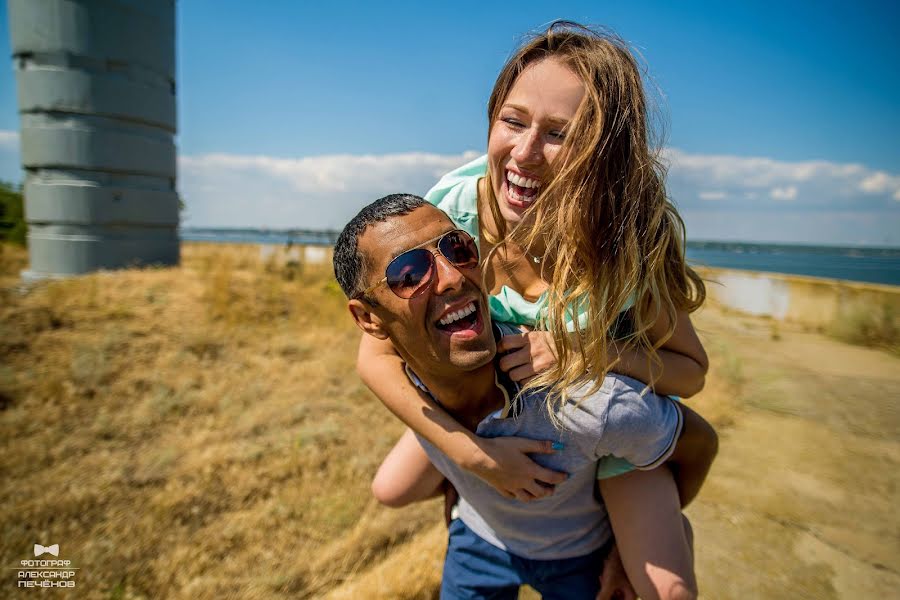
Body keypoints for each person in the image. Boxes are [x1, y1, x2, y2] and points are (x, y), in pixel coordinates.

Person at [358, 22, 710, 599]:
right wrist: (474, 461)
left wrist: (584, 352)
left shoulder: (627, 243)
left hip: (592, 419)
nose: (524, 153)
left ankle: (642, 528)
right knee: (392, 488)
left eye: (558, 134)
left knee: (669, 590)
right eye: (513, 121)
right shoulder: (451, 211)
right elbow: (375, 357)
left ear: (603, 153)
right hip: (488, 402)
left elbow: (690, 374)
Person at [333, 196, 717, 599]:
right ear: (368, 319)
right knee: (390, 489)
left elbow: (699, 440)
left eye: (458, 249)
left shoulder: (590, 407)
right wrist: (469, 467)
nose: (452, 277)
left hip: (580, 557)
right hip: (479, 540)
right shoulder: (413, 385)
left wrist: (644, 532)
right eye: (408, 274)